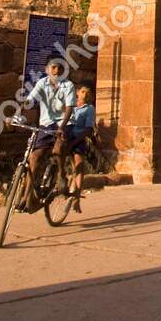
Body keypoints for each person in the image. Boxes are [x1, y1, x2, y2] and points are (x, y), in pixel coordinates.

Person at [21, 58, 76, 211]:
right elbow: (30, 100)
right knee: (34, 157)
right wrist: (18, 112)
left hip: (64, 123)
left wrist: (61, 127)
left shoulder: (68, 85)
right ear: (47, 70)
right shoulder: (42, 83)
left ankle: (61, 175)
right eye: (53, 68)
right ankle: (27, 197)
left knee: (58, 148)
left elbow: (69, 108)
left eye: (59, 68)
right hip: (46, 123)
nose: (56, 71)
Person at [64, 82, 96, 212]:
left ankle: (76, 197)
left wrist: (75, 141)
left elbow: (88, 129)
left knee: (79, 163)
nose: (85, 94)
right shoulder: (69, 105)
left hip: (78, 138)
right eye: (83, 91)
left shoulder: (89, 109)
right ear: (77, 92)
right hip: (66, 136)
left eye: (88, 92)